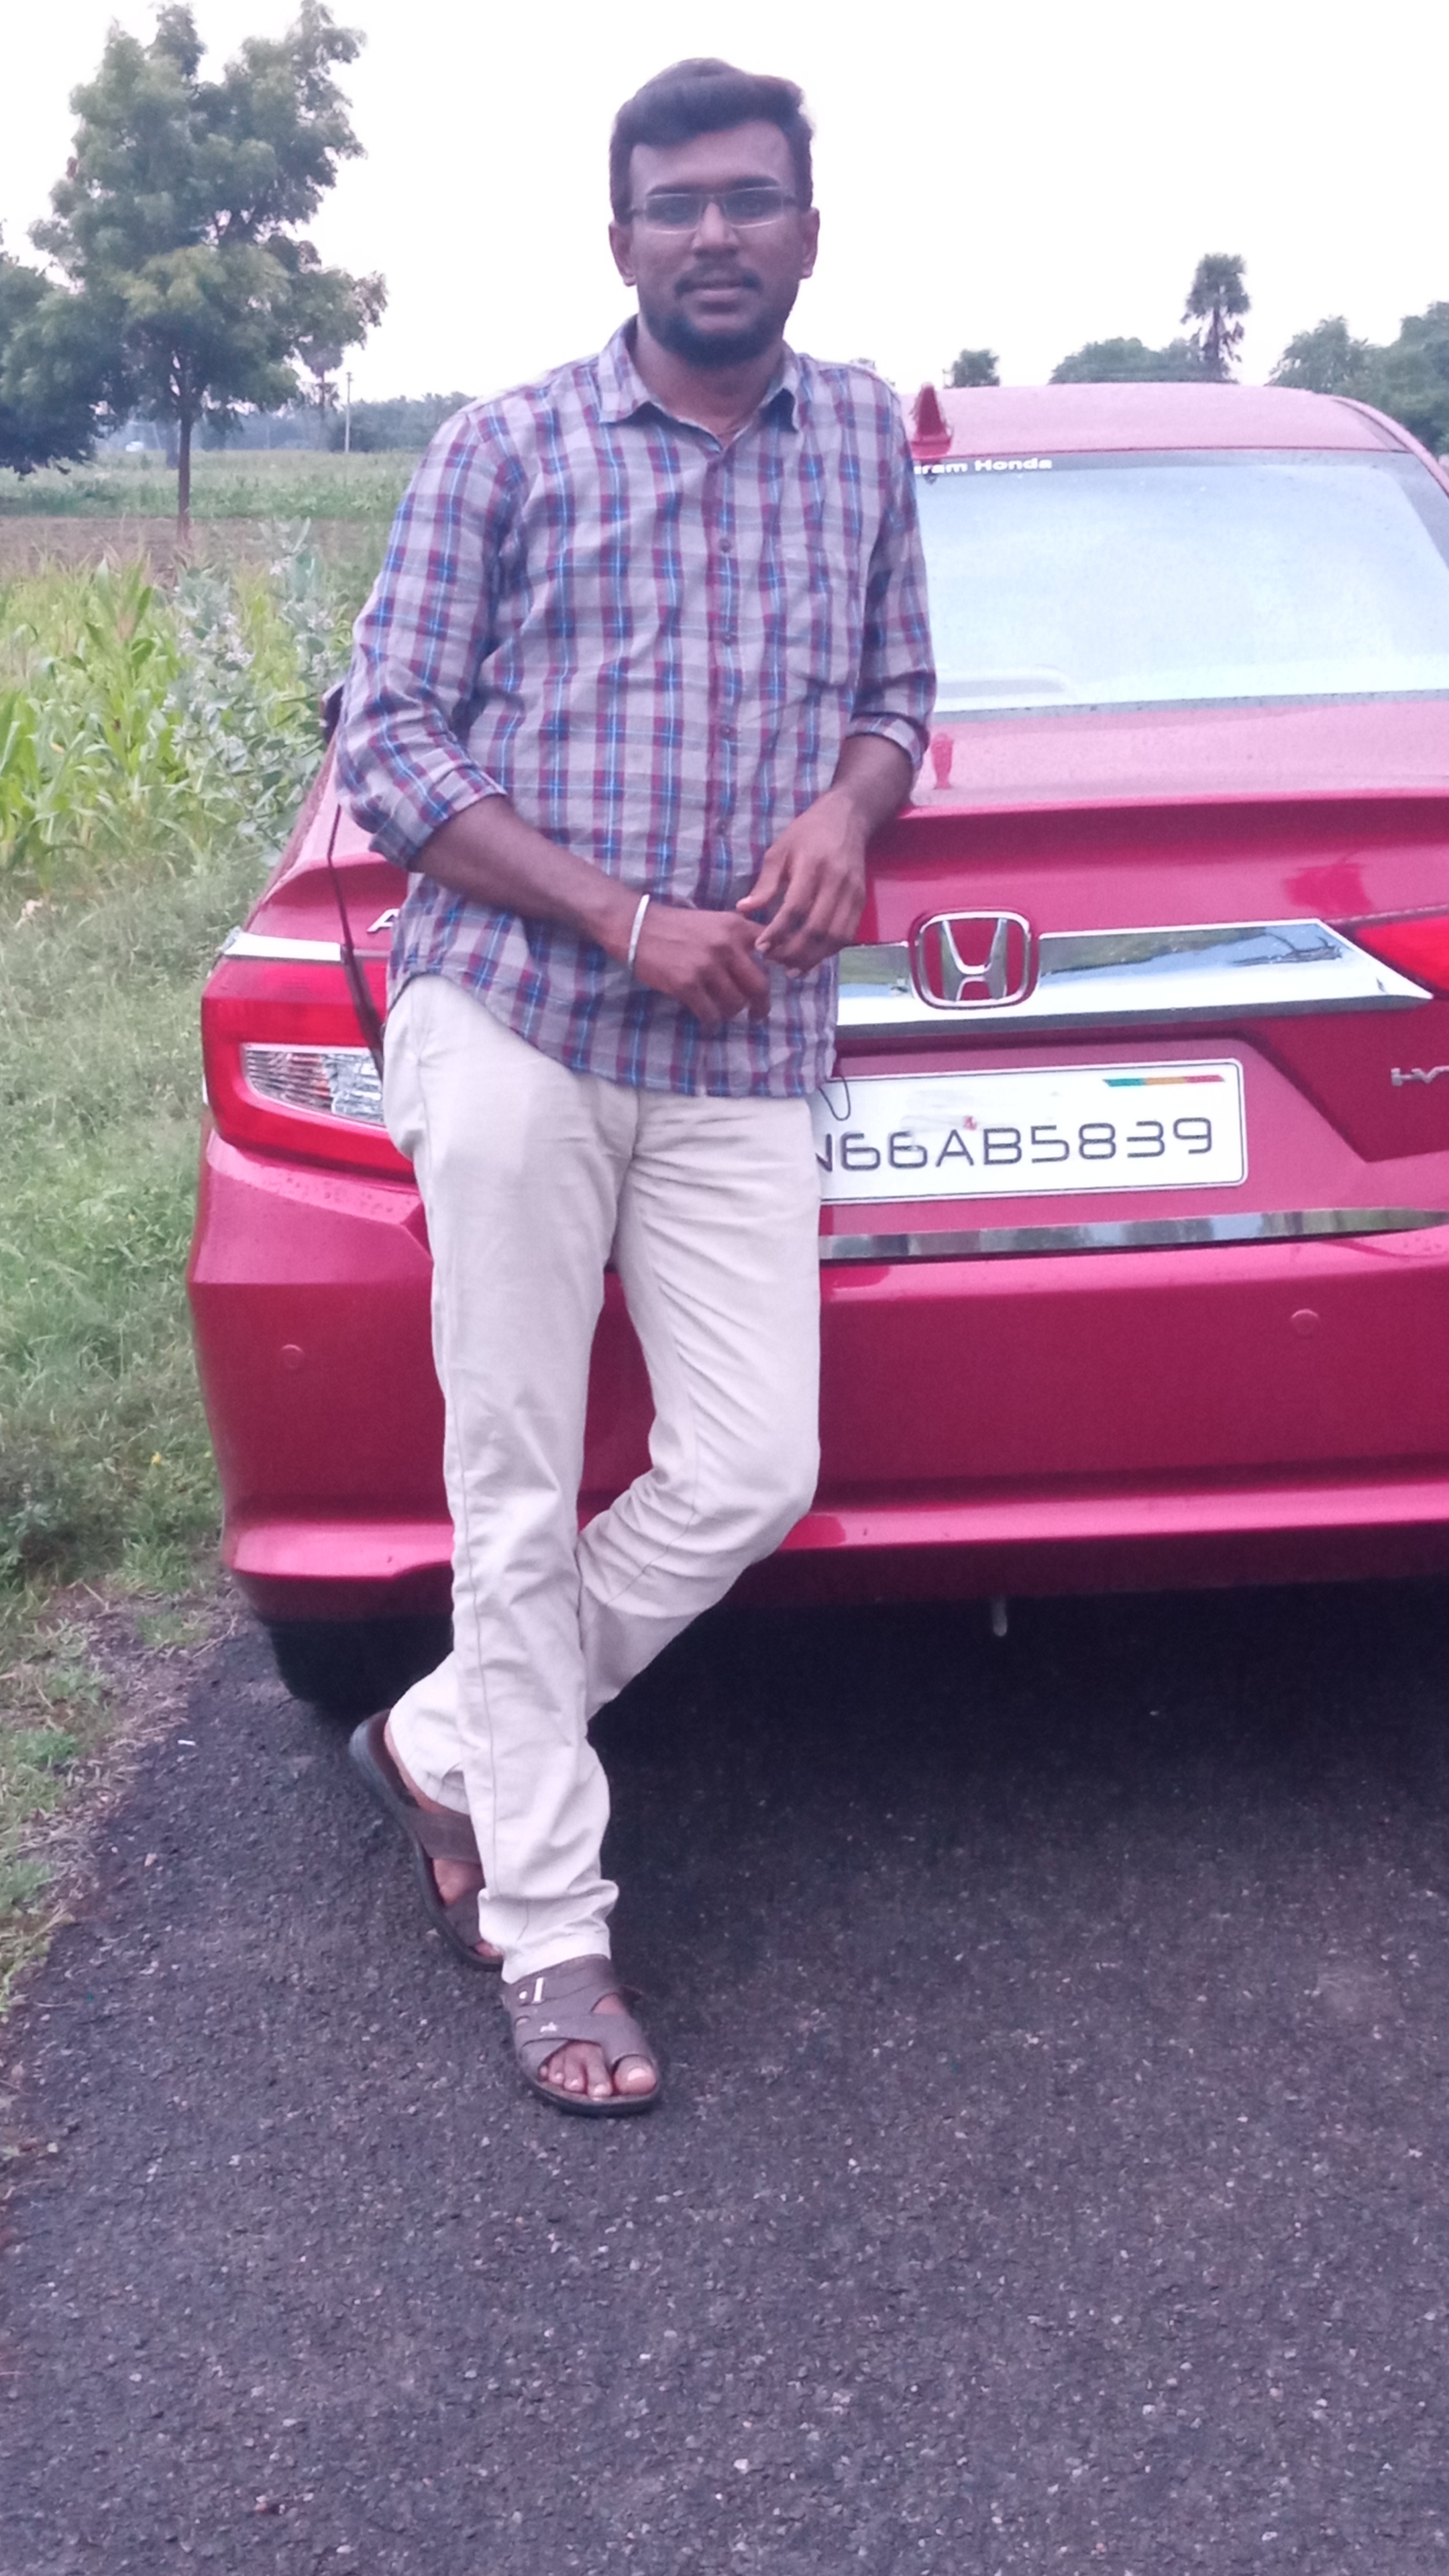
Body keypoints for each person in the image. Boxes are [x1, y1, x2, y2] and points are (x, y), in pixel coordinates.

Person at [337, 56, 934, 2116]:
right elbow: (390, 744)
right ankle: (550, 1930)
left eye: (748, 198)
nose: (713, 233)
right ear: (621, 242)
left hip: (746, 1031)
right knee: (511, 1480)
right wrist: (621, 916)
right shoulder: (506, 447)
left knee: (753, 1465)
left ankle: (443, 1742)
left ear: (806, 231)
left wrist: (852, 807)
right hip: (516, 1009)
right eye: (675, 204)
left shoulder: (860, 437)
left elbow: (896, 695)